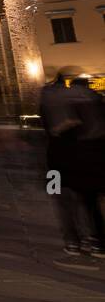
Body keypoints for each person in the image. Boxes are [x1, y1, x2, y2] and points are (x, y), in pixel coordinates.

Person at [41, 69, 105, 257]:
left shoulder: (50, 105)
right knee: (90, 201)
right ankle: (98, 241)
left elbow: (45, 133)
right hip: (88, 163)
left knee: (60, 201)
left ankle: (72, 241)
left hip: (54, 162)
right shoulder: (94, 111)